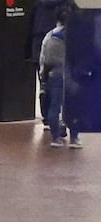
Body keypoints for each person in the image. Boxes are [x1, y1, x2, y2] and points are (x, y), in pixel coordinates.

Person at [40, 9, 81, 149]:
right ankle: (74, 138)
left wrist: (43, 76)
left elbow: (43, 58)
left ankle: (56, 138)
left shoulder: (49, 36)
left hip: (54, 74)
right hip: (73, 76)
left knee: (54, 107)